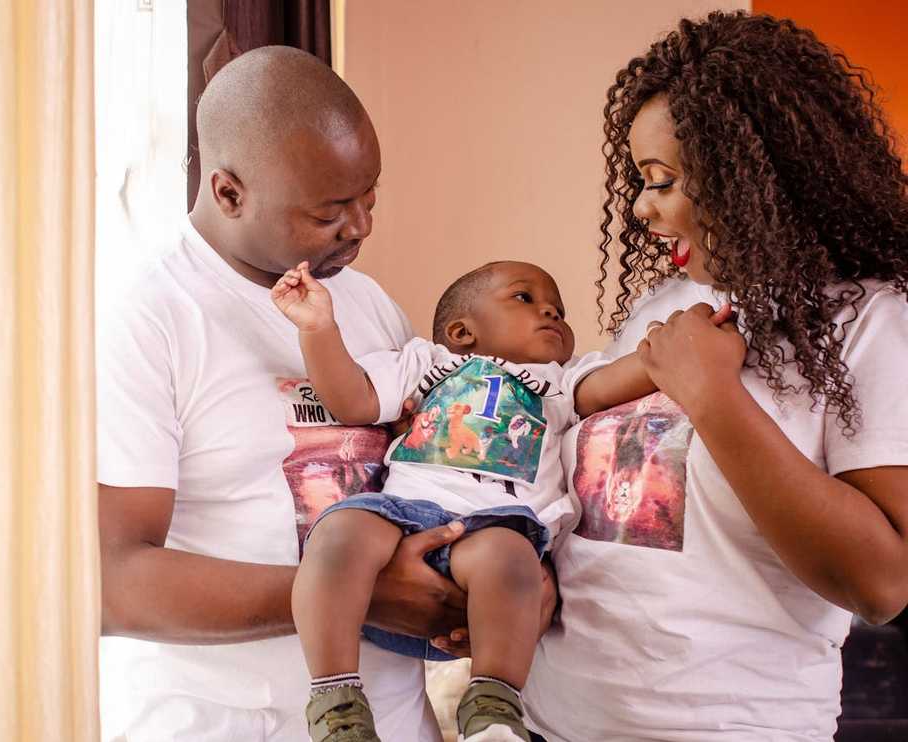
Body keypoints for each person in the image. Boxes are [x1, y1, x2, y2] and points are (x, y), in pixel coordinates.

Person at [523, 12, 908, 741]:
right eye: (639, 181)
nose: (640, 208)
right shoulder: (661, 309)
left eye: (661, 180)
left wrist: (715, 397)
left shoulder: (872, 324)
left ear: (753, 171)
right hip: (550, 720)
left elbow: (882, 583)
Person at [97, 46, 468, 742]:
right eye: (330, 211)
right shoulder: (146, 318)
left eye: (369, 198)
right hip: (215, 721)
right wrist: (357, 597)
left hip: (390, 720)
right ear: (229, 191)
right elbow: (111, 584)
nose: (359, 227)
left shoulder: (367, 304)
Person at [272, 259, 727, 741]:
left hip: (495, 525)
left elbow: (619, 379)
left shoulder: (564, 379)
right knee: (338, 534)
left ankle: (492, 707)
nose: (551, 312)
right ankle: (336, 701)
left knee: (514, 561)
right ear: (462, 331)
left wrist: (678, 342)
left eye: (559, 309)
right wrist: (319, 328)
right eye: (525, 298)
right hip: (402, 512)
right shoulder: (425, 362)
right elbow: (353, 400)